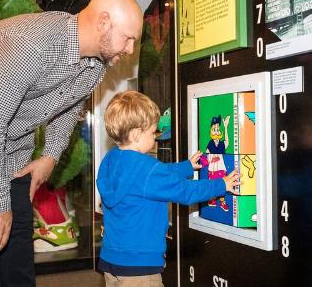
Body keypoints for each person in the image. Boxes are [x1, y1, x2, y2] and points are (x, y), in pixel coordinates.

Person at [0, 0, 143, 287]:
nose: (130, 49)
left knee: (19, 224)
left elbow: (69, 105)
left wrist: (49, 156)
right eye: (128, 38)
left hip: (7, 132)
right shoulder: (29, 46)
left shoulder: (95, 63)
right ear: (103, 22)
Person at [97, 91, 239, 287]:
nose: (155, 138)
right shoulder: (147, 169)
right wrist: (221, 184)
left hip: (111, 261)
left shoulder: (111, 160)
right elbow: (186, 192)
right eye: (152, 132)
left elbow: (160, 175)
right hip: (140, 267)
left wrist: (186, 167)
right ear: (137, 134)